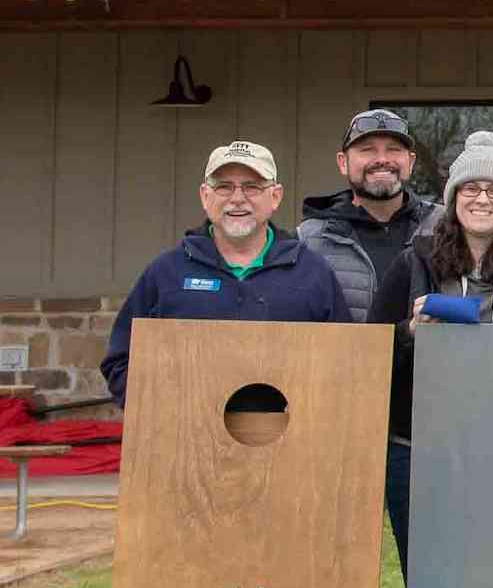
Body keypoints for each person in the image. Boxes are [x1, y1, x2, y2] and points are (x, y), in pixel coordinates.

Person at [370, 131, 493, 564]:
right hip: (418, 450)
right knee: (427, 582)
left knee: (492, 579)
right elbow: (369, 353)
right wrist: (410, 330)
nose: (482, 199)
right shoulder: (415, 261)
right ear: (453, 199)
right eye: (470, 188)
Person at [102, 141, 346, 403]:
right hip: (188, 438)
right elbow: (120, 361)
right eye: (224, 186)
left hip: (290, 437)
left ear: (275, 196)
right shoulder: (166, 273)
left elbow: (344, 363)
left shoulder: (313, 273)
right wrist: (161, 411)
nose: (237, 198)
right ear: (205, 196)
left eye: (252, 186)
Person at [296, 108, 440, 323]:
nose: (382, 159)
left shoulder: (445, 226)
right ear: (343, 162)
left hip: (429, 357)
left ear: (410, 162)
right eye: (367, 150)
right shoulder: (309, 239)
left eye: (393, 150)